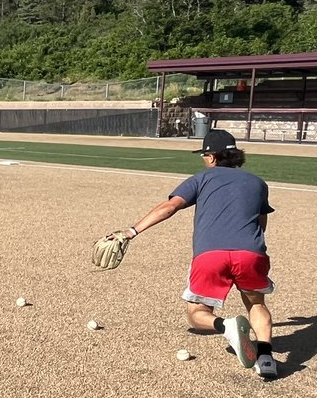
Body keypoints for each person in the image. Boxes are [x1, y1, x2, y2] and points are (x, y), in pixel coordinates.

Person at [114, 128, 277, 377]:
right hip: (251, 253)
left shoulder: (202, 178)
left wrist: (131, 232)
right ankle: (266, 359)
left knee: (196, 313)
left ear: (211, 156)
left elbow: (170, 207)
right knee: (256, 303)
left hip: (211, 254)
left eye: (204, 155)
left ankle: (226, 326)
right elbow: (261, 223)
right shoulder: (258, 183)